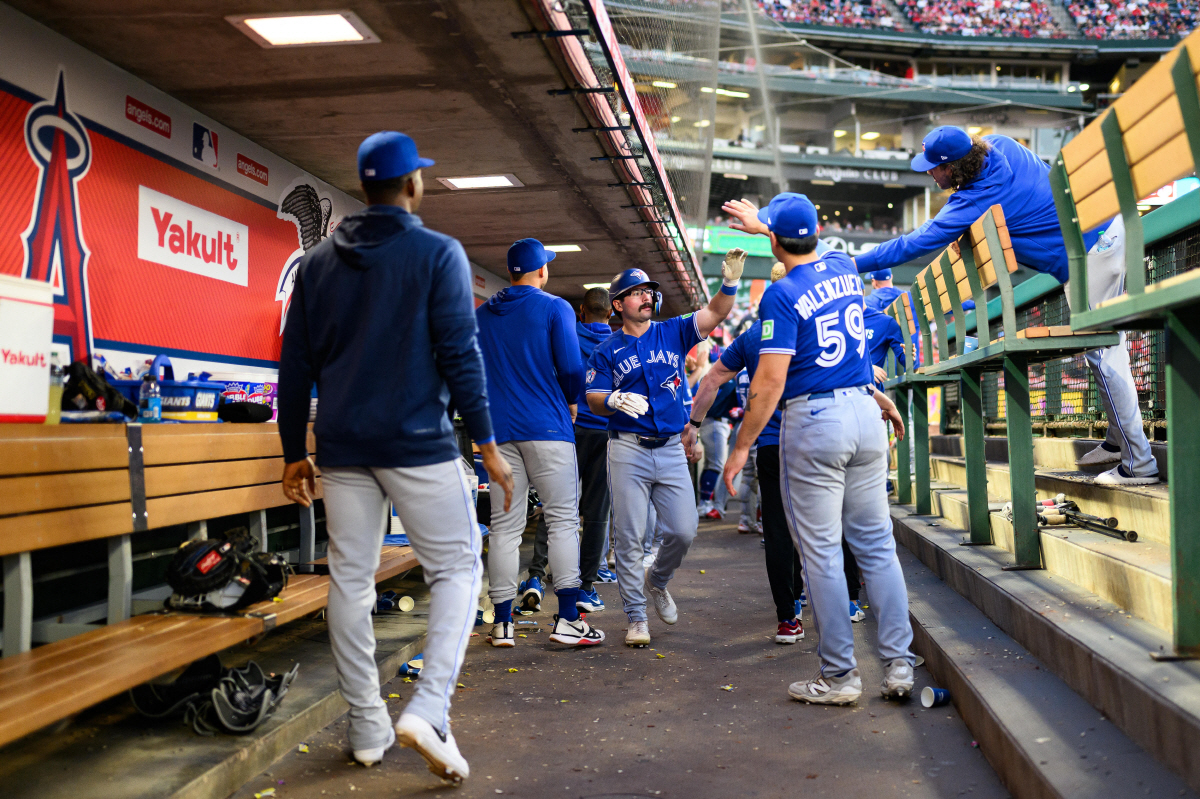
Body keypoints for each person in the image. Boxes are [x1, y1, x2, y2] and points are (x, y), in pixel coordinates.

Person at [277, 131, 514, 781]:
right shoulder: (438, 252)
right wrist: (489, 445)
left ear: (364, 186)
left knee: (350, 581)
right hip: (418, 443)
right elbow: (461, 357)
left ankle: (365, 724)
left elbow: (293, 364)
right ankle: (430, 708)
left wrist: (293, 449)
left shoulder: (318, 262)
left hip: (345, 446)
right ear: (412, 184)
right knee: (459, 569)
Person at [859, 127, 1154, 486]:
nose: (929, 173)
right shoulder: (999, 142)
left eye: (934, 167)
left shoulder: (974, 198)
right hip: (1100, 232)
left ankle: (1139, 463)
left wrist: (851, 263)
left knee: (1106, 353)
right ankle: (1117, 440)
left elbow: (910, 246)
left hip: (1091, 249)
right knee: (1102, 350)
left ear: (953, 167)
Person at [721, 193, 914, 705]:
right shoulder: (845, 268)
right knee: (876, 547)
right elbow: (802, 245)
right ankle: (898, 666)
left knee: (823, 556)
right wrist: (766, 227)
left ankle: (840, 677)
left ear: (777, 240)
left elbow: (766, 386)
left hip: (816, 420)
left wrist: (741, 447)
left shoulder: (781, 295)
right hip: (864, 411)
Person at [586, 254, 743, 646]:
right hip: (627, 450)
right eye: (635, 293)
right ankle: (636, 617)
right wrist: (613, 401)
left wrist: (730, 285)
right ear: (618, 305)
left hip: (672, 446)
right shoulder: (605, 350)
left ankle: (657, 581)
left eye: (647, 292)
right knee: (629, 536)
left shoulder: (672, 330)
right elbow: (592, 396)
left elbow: (715, 314)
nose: (645, 298)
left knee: (684, 530)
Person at [475, 238, 604, 648]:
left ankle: (503, 623)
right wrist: (571, 400)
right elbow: (570, 366)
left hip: (499, 433)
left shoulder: (483, 314)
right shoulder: (554, 307)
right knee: (564, 520)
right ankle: (567, 619)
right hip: (548, 427)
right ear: (541, 271)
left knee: (505, 529)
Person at [574, 287, 620, 611]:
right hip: (605, 431)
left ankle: (537, 575)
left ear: (581, 310)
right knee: (596, 514)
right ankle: (586, 585)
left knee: (560, 507)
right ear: (611, 313)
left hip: (569, 429)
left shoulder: (567, 334)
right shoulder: (619, 344)